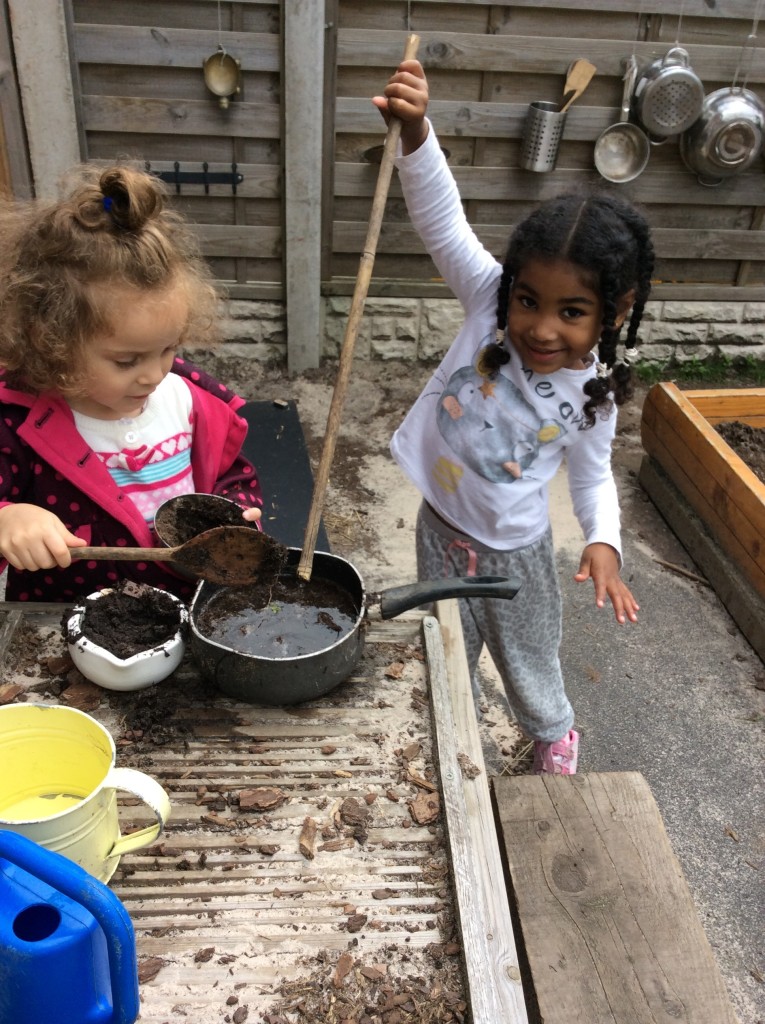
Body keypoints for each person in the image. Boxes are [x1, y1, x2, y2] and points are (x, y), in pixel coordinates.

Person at [373, 61, 654, 775]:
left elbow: (592, 481)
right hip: (440, 528)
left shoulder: (593, 396)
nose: (540, 328)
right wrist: (415, 130)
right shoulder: (486, 303)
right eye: (529, 300)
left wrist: (604, 543)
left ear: (612, 314)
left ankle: (552, 736)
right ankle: (455, 736)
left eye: (572, 312)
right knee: (443, 649)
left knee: (526, 660)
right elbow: (441, 216)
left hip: (515, 556)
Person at [0, 163, 263, 602]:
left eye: (168, 348)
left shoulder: (189, 400)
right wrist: (8, 520)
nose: (155, 374)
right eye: (126, 360)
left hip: (186, 606)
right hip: (70, 619)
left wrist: (236, 517)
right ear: (50, 341)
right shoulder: (18, 423)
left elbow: (233, 474)